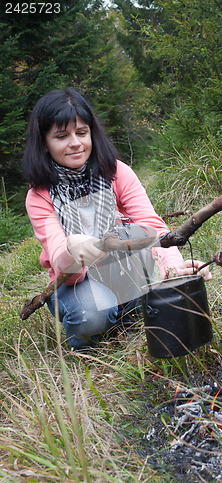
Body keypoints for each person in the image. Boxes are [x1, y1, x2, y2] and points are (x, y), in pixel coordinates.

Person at [23, 88, 211, 351]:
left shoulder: (115, 172)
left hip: (122, 269)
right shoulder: (39, 196)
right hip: (75, 280)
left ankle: (126, 311)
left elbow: (150, 224)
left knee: (147, 281)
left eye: (82, 132)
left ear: (91, 133)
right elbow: (57, 256)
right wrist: (72, 247)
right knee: (92, 314)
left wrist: (174, 268)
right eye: (61, 136)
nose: (75, 142)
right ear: (44, 143)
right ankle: (87, 345)